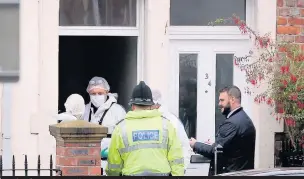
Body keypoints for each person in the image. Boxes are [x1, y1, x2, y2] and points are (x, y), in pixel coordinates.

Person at [106, 81, 185, 176]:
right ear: (151, 105)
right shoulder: (166, 125)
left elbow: (113, 167)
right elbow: (177, 160)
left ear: (132, 106)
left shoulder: (121, 128)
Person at [189, 86, 256, 175]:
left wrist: (195, 144)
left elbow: (216, 151)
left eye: (222, 100)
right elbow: (230, 148)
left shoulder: (232, 123)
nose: (219, 104)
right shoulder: (245, 119)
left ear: (232, 99)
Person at [151, 89, 192, 170]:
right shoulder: (150, 119)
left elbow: (184, 147)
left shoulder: (171, 121)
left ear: (156, 104)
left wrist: (180, 170)